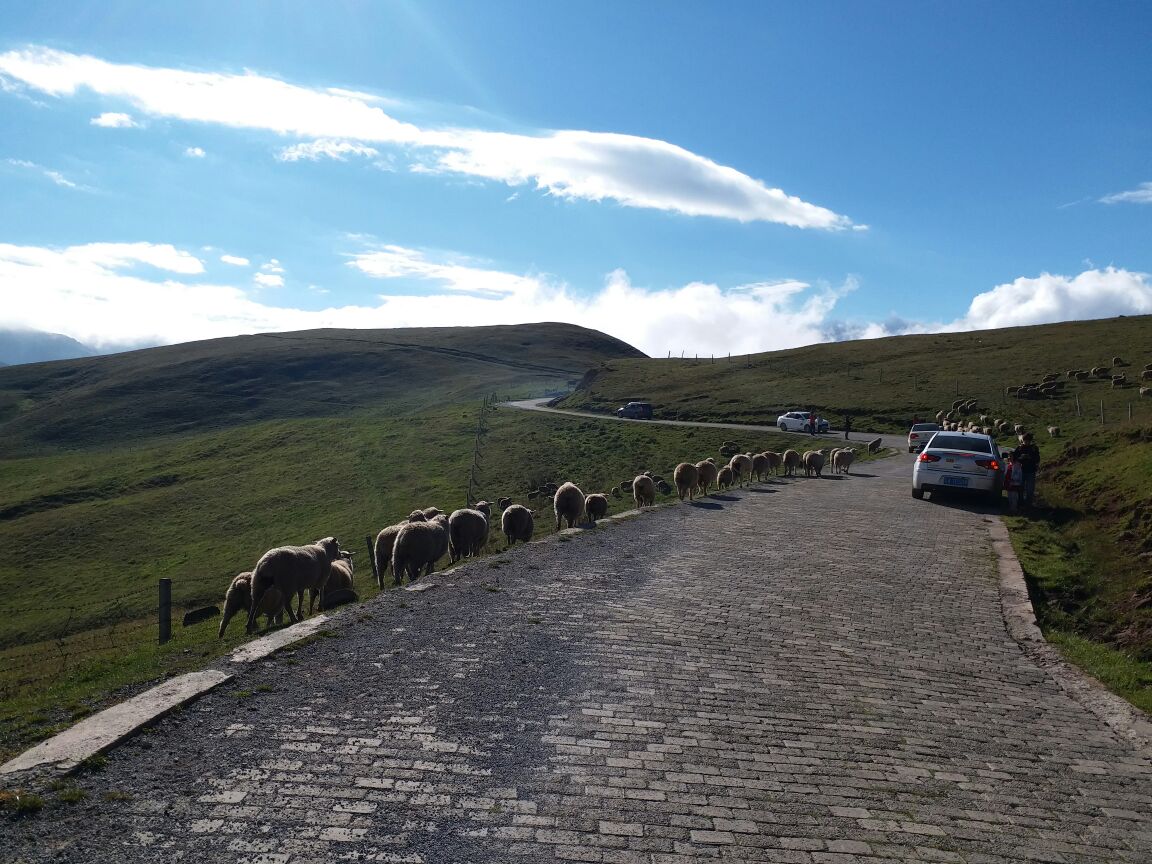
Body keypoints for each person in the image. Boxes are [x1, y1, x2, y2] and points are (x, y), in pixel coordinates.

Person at [1011, 432, 1040, 509]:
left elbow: (1037, 459)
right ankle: (1020, 503)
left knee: (1030, 490)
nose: (1026, 442)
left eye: (1028, 441)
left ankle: (1028, 505)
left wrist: (1030, 457)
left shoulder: (1034, 448)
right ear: (1023, 440)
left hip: (1031, 471)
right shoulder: (1020, 448)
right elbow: (1014, 459)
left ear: (1030, 441)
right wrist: (1021, 458)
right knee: (1020, 488)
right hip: (1021, 471)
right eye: (1025, 440)